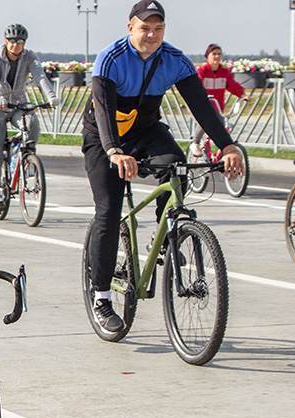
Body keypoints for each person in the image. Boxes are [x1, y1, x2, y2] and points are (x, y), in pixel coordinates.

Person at [83, 0, 244, 334]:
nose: (151, 34)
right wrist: (114, 151)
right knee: (109, 210)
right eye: (145, 27)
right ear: (130, 27)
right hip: (103, 136)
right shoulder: (110, 59)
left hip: (144, 128)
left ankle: (169, 230)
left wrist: (227, 145)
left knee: (175, 164)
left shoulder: (173, 60)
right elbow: (102, 110)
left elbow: (201, 106)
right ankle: (101, 298)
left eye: (158, 28)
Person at [0, 24, 59, 214]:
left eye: (20, 42)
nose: (16, 45)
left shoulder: (29, 56)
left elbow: (40, 76)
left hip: (17, 103)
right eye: (13, 41)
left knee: (31, 123)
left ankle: (27, 157)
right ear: (5, 41)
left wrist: (51, 96)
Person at [188, 43, 245, 159]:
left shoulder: (224, 72)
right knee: (204, 120)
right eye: (214, 54)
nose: (217, 57)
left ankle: (221, 152)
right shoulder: (202, 71)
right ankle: (195, 143)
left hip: (217, 109)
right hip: (200, 107)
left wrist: (242, 94)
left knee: (224, 126)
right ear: (207, 56)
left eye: (219, 54)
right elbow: (196, 86)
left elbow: (232, 85)